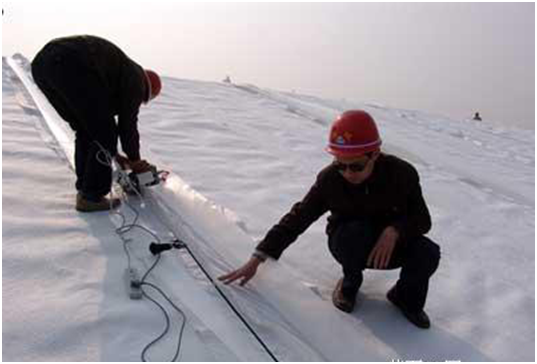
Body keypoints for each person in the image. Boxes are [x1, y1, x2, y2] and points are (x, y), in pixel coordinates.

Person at [219, 110, 441, 329]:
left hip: (388, 247)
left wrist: (396, 230)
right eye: (340, 164)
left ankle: (405, 297)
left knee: (427, 252)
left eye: (356, 166)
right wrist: (258, 257)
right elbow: (298, 217)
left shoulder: (402, 174)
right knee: (355, 232)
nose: (347, 172)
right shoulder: (329, 180)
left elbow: (423, 219)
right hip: (349, 243)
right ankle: (349, 284)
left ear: (375, 154)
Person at [31, 35, 162, 212]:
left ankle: (85, 191)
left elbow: (96, 121)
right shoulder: (136, 80)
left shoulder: (121, 73)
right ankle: (92, 196)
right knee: (105, 132)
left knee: (86, 131)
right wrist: (135, 161)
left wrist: (114, 154)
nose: (139, 102)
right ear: (147, 91)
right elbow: (127, 125)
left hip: (42, 65)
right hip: (73, 61)